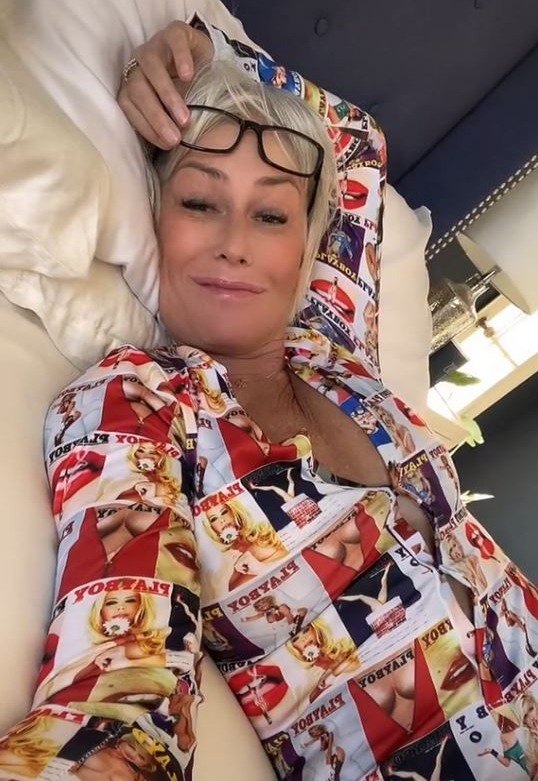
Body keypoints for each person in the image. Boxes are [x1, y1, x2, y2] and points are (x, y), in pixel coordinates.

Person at [1, 15, 536, 781]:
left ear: (304, 246)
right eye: (200, 201)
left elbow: (354, 144)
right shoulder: (140, 404)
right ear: (157, 217)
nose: (236, 242)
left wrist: (208, 50)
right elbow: (123, 691)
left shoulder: (334, 350)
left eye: (272, 214)